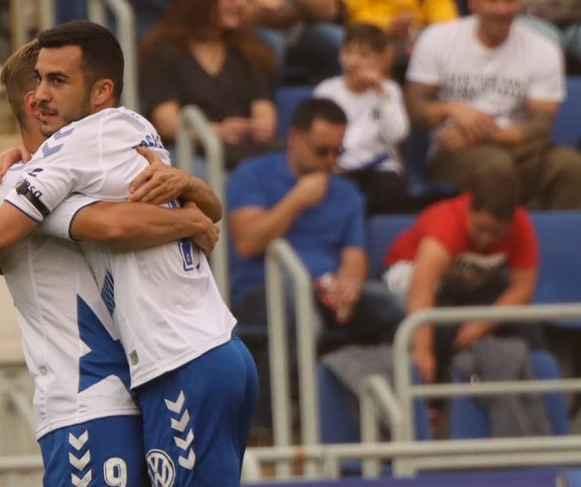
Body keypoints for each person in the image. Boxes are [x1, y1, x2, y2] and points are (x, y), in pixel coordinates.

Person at [0, 21, 299, 487]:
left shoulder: (84, 150)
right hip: (95, 395)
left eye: (58, 81)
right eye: (42, 83)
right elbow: (101, 227)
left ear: (94, 92)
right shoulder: (51, 170)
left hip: (162, 370)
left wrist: (198, 204)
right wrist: (196, 216)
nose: (45, 94)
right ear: (31, 101)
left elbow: (119, 219)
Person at [227, 98, 405, 344]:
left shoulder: (347, 192)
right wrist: (296, 200)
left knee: (398, 307)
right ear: (294, 137)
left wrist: (348, 284)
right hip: (266, 288)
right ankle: (292, 384)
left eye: (338, 151)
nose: (331, 160)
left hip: (327, 288)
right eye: (322, 151)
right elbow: (248, 243)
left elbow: (354, 256)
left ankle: (358, 376)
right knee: (304, 317)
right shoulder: (253, 173)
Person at [405, 0, 581, 210]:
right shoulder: (438, 39)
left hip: (517, 146)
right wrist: (451, 108)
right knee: (497, 168)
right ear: (472, 4)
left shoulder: (543, 49)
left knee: (571, 167)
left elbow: (540, 126)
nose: (502, 10)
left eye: (509, 2)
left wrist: (481, 132)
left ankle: (561, 240)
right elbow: (413, 111)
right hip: (455, 150)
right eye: (493, 1)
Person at [383, 171, 540, 382]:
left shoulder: (521, 225)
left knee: (525, 324)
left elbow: (522, 288)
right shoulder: (446, 225)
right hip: (409, 277)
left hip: (469, 285)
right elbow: (422, 286)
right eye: (480, 229)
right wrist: (422, 351)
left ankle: (539, 391)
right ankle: (433, 401)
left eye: (497, 233)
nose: (486, 240)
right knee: (443, 327)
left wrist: (484, 323)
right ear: (469, 210)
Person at [139, 0, 279, 170]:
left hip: (245, 148)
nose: (241, 4)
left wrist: (261, 126)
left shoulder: (249, 50)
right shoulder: (161, 52)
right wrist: (219, 131)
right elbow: (166, 122)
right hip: (192, 147)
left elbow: (263, 106)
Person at [313, 23, 415, 215]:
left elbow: (397, 135)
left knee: (391, 192)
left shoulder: (389, 91)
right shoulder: (326, 90)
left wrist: (381, 94)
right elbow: (317, 135)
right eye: (348, 52)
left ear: (380, 60)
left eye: (363, 55)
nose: (353, 61)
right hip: (339, 167)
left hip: (380, 165)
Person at [252, 0, 344, 84]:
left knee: (337, 38)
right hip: (256, 30)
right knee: (273, 43)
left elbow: (329, 11)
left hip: (299, 33)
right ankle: (265, 99)